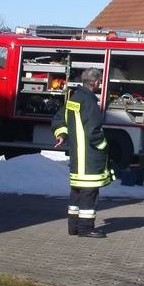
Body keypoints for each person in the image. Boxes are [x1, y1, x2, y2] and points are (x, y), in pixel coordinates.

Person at [52, 68, 111, 238]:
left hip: (77, 156)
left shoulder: (75, 99)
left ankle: (73, 227)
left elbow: (59, 119)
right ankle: (86, 228)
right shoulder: (90, 102)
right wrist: (105, 146)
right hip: (90, 157)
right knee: (89, 193)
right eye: (99, 80)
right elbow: (94, 132)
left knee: (77, 192)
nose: (100, 83)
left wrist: (61, 134)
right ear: (95, 82)